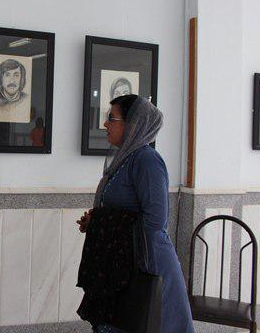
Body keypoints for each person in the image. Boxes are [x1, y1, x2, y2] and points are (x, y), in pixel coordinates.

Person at [77, 94, 194, 333]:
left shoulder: (147, 160)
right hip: (122, 262)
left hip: (146, 263)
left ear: (133, 124)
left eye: (112, 118)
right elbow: (122, 211)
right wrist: (96, 221)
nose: (105, 124)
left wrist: (106, 225)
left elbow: (156, 220)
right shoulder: (125, 159)